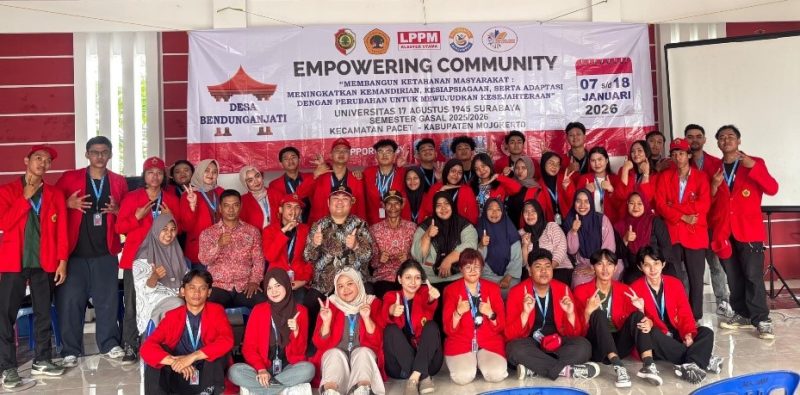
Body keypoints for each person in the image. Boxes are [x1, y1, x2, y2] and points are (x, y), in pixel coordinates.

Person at [55, 136, 128, 367]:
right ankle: (70, 350)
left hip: (105, 252)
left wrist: (118, 211)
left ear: (110, 155)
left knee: (107, 301)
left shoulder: (118, 181)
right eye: (95, 152)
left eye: (104, 152)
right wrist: (67, 204)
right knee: (70, 302)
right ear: (87, 154)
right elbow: (51, 206)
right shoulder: (70, 177)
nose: (99, 156)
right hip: (74, 254)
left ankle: (109, 344)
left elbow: (127, 215)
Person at [0, 146, 68, 389]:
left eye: (47, 160)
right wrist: (24, 197)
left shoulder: (54, 194)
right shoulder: (7, 191)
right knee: (5, 316)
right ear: (27, 160)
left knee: (43, 312)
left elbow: (62, 231)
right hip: (13, 262)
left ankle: (42, 360)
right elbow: (4, 223)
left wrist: (63, 261)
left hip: (45, 263)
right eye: (38, 158)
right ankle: (7, 367)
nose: (43, 163)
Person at [711, 125, 779, 339]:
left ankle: (761, 319)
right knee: (733, 277)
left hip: (748, 231)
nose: (726, 140)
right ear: (718, 144)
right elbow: (708, 202)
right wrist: (713, 185)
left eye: (731, 136)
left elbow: (773, 188)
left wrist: (753, 167)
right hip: (724, 232)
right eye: (722, 137)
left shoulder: (754, 162)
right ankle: (741, 314)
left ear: (739, 141)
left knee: (753, 277)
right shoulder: (715, 168)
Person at [117, 156, 180, 363]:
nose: (155, 176)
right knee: (134, 304)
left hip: (164, 259)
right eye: (151, 172)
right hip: (137, 260)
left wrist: (173, 218)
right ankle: (130, 345)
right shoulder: (132, 197)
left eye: (159, 173)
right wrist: (136, 217)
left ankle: (161, 343)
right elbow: (119, 228)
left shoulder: (170, 198)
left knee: (166, 300)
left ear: (164, 177)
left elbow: (182, 229)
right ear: (144, 176)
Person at [630, 246, 723, 384]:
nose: (653, 269)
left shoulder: (675, 283)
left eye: (656, 263)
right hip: (656, 341)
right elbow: (634, 322)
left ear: (663, 264)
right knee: (652, 333)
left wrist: (688, 334)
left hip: (676, 336)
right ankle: (701, 359)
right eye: (647, 265)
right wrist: (644, 314)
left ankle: (691, 363)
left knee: (706, 331)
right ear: (640, 267)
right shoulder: (634, 288)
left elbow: (685, 312)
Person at [505, 249, 599, 381]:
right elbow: (509, 335)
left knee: (583, 346)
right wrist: (525, 313)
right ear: (530, 271)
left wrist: (570, 313)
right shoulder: (516, 292)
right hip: (531, 343)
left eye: (548, 266)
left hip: (557, 342)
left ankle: (535, 368)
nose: (544, 271)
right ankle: (566, 370)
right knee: (514, 349)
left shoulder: (563, 289)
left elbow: (576, 333)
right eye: (538, 267)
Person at [573, 249, 662, 388]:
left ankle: (649, 364)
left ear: (615, 268)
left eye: (609, 264)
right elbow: (577, 331)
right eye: (600, 264)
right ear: (593, 267)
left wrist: (640, 310)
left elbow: (636, 323)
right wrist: (587, 312)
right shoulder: (580, 291)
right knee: (598, 314)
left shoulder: (625, 290)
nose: (605, 269)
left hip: (619, 345)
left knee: (638, 316)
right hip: (596, 346)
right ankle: (618, 367)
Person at [141, 270, 234, 395]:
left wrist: (192, 357)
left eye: (202, 288)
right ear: (183, 291)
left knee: (217, 355)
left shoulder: (216, 311)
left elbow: (227, 341)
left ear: (209, 292)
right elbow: (147, 347)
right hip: (179, 371)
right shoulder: (172, 316)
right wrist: (174, 361)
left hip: (206, 372)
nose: (197, 293)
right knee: (156, 359)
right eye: (192, 288)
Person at [228, 269, 315, 394]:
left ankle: (264, 390)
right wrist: (261, 369)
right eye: (269, 288)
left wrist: (296, 332)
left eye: (278, 285)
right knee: (234, 372)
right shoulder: (259, 310)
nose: (273, 291)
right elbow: (248, 348)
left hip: (287, 367)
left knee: (308, 369)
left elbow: (299, 352)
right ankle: (279, 389)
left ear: (286, 285)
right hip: (263, 367)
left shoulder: (301, 311)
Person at [655, 138, 710, 321]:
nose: (678, 157)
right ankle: (676, 314)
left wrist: (676, 207)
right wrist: (683, 214)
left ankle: (695, 316)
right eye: (674, 154)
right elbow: (661, 205)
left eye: (681, 153)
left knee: (696, 279)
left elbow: (704, 205)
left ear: (688, 155)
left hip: (695, 234)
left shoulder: (701, 177)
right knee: (674, 278)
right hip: (672, 233)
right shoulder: (665, 177)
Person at [685, 124, 734, 318]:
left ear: (705, 140)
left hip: (712, 223)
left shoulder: (716, 163)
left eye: (698, 136)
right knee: (689, 267)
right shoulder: (678, 163)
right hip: (689, 225)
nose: (694, 140)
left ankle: (723, 301)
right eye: (690, 137)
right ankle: (688, 304)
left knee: (716, 265)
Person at [312, 268, 385, 395]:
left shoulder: (372, 303)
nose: (345, 289)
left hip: (362, 359)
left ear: (358, 283)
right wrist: (326, 321)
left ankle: (362, 389)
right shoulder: (329, 305)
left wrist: (367, 318)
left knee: (363, 352)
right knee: (334, 354)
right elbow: (320, 344)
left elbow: (377, 342)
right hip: (337, 360)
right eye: (340, 286)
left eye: (349, 283)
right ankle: (330, 390)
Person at [442, 249, 508, 385]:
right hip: (461, 343)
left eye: (476, 266)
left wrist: (491, 314)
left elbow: (501, 325)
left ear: (482, 269)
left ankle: (479, 362)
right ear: (461, 269)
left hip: (489, 343)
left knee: (497, 375)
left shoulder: (493, 288)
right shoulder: (451, 290)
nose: (473, 270)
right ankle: (472, 364)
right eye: (468, 267)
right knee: (463, 377)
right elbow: (448, 329)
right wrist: (458, 313)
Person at [381, 260, 443, 395]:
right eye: (408, 277)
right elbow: (387, 309)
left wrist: (433, 298)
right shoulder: (391, 296)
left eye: (417, 277)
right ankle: (423, 376)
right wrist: (392, 310)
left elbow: (429, 303)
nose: (413, 282)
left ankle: (414, 378)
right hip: (399, 366)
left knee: (431, 326)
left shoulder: (425, 293)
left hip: (429, 361)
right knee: (390, 330)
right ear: (399, 279)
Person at [198, 189, 266, 309]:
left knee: (264, 305)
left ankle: (251, 328)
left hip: (245, 286)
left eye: (235, 205)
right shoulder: (208, 233)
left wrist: (254, 281)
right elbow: (204, 260)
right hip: (218, 286)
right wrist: (218, 245)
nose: (231, 210)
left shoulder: (252, 231)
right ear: (220, 208)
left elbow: (258, 260)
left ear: (240, 207)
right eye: (226, 206)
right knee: (207, 306)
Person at [132, 214, 187, 336]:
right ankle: (159, 345)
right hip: (154, 299)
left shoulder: (176, 250)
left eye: (173, 229)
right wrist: (154, 276)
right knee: (177, 304)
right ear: (156, 229)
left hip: (178, 295)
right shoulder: (143, 256)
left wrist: (183, 291)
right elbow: (144, 289)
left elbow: (186, 277)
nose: (169, 234)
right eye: (164, 229)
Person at [411, 191, 478, 286]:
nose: (443, 208)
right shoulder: (425, 226)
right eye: (438, 205)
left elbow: (471, 245)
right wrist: (427, 235)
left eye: (446, 204)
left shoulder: (463, 224)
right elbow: (418, 256)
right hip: (430, 280)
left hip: (458, 278)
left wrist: (448, 260)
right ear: (434, 208)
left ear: (452, 205)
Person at [615, 192, 683, 285]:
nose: (635, 207)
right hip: (636, 267)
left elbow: (666, 248)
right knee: (630, 279)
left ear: (645, 204)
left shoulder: (655, 221)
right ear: (627, 204)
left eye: (639, 203)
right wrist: (625, 240)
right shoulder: (621, 226)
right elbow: (618, 255)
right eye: (632, 203)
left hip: (657, 264)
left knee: (670, 279)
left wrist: (656, 266)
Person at [297, 138, 366, 224]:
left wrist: (361, 228)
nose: (341, 153)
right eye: (337, 150)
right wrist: (315, 174)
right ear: (331, 155)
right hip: (320, 229)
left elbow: (360, 208)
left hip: (348, 230)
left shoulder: (356, 178)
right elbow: (299, 194)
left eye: (345, 151)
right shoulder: (319, 176)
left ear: (349, 156)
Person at [262, 194, 313, 302]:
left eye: (297, 207)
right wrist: (283, 231)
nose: (293, 210)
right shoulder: (269, 230)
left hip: (298, 280)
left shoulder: (306, 230)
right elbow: (270, 256)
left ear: (300, 212)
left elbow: (311, 258)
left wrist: (304, 280)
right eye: (289, 206)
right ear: (281, 210)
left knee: (302, 299)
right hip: (275, 280)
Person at [562, 188, 617, 287]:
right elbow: (572, 250)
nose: (582, 205)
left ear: (591, 203)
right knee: (578, 282)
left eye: (586, 201)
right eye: (578, 201)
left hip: (605, 261)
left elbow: (609, 248)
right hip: (583, 263)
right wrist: (573, 231)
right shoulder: (570, 220)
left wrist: (595, 267)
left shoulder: (602, 220)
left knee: (614, 275)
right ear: (574, 203)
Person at [369, 190, 417, 299]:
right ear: (384, 206)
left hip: (407, 276)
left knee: (411, 301)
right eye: (389, 204)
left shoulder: (412, 228)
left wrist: (408, 258)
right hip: (384, 277)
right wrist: (379, 259)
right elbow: (372, 264)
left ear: (402, 205)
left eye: (396, 203)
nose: (393, 207)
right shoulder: (375, 230)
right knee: (388, 299)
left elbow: (418, 257)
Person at [179, 159, 224, 268]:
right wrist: (192, 206)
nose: (210, 174)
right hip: (198, 250)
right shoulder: (188, 195)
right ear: (199, 172)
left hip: (220, 248)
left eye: (214, 171)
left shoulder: (220, 192)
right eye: (207, 170)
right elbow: (186, 227)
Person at [476, 198, 522, 297]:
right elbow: (476, 262)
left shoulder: (510, 231)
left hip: (510, 275)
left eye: (498, 209)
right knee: (480, 289)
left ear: (503, 212)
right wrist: (481, 245)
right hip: (486, 275)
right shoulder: (478, 231)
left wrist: (507, 278)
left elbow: (517, 258)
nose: (494, 212)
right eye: (490, 209)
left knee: (514, 291)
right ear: (485, 212)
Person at [519, 199, 570, 285]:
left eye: (533, 211)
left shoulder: (552, 227)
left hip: (558, 268)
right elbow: (524, 263)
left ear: (539, 212)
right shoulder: (521, 233)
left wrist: (547, 269)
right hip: (533, 273)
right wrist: (524, 245)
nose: (529, 215)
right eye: (526, 212)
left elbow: (561, 249)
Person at [568, 146, 624, 223]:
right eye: (593, 160)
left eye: (600, 159)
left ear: (606, 160)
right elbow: (575, 203)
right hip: (589, 222)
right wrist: (585, 192)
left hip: (610, 223)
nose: (597, 163)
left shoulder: (615, 179)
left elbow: (621, 206)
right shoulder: (584, 179)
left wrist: (611, 190)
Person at [418, 159, 478, 224]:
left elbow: (473, 217)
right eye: (453, 171)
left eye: (460, 172)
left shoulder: (467, 190)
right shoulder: (435, 188)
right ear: (447, 171)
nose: (456, 175)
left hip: (460, 228)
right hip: (438, 227)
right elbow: (428, 211)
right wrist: (440, 192)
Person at [363, 139, 408, 225]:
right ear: (376, 156)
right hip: (373, 222)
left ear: (394, 155)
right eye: (380, 151)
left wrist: (404, 166)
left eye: (388, 151)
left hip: (397, 222)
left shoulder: (402, 173)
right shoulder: (367, 173)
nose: (384, 155)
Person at [268, 147, 313, 223]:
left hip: (310, 224)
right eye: (286, 159)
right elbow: (277, 210)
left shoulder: (310, 177)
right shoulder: (274, 185)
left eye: (293, 157)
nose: (290, 161)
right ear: (281, 164)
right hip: (287, 226)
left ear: (299, 160)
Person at [506, 156, 550, 228]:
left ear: (529, 169)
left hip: (527, 232)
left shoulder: (537, 190)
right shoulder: (510, 184)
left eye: (523, 168)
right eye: (517, 168)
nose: (520, 171)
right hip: (510, 231)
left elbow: (540, 216)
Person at [239, 165, 279, 230]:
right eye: (250, 180)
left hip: (276, 237)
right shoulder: (243, 201)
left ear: (261, 176)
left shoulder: (275, 194)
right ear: (245, 184)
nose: (256, 181)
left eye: (257, 176)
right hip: (255, 238)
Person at [618, 140, 655, 208]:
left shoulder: (654, 174)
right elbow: (622, 196)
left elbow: (646, 198)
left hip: (645, 215)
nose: (636, 154)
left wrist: (646, 174)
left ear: (647, 153)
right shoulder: (624, 170)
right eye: (633, 151)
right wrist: (625, 170)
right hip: (626, 213)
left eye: (639, 150)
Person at [538, 152, 572, 224]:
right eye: (551, 163)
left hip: (568, 221)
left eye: (557, 164)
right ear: (544, 164)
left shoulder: (565, 179)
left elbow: (573, 202)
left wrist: (567, 189)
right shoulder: (538, 185)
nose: (554, 166)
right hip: (548, 225)